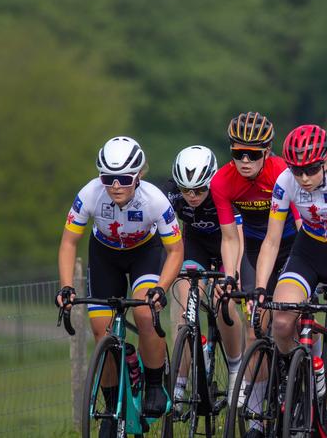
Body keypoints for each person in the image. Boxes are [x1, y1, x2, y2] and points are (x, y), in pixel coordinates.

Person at [56, 137, 183, 433]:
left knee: (144, 314)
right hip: (105, 255)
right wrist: (66, 286)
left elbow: (176, 251)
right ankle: (112, 408)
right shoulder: (89, 194)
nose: (115, 186)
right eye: (107, 178)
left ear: (138, 175)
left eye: (124, 178)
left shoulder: (154, 200)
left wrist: (162, 288)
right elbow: (69, 242)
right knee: (103, 332)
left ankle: (153, 385)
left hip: (145, 253)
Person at [251, 125, 327, 438]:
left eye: (311, 170)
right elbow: (272, 241)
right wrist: (261, 287)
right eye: (297, 170)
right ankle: (294, 371)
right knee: (282, 320)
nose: (304, 178)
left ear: (326, 162)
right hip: (309, 251)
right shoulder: (285, 182)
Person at [210, 112, 298, 428]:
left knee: (292, 316)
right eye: (238, 154)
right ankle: (258, 420)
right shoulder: (221, 181)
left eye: (253, 154)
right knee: (254, 326)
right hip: (256, 249)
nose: (244, 160)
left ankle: (303, 371)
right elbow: (231, 238)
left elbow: (302, 226)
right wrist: (229, 275)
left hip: (292, 246)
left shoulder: (284, 173)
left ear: (268, 152)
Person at [162, 145, 244, 405]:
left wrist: (235, 274)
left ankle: (234, 371)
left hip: (226, 244)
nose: (192, 195)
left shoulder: (223, 189)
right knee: (186, 310)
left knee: (225, 307)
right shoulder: (173, 194)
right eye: (186, 190)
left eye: (199, 189)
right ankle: (180, 381)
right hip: (196, 245)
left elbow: (237, 238)